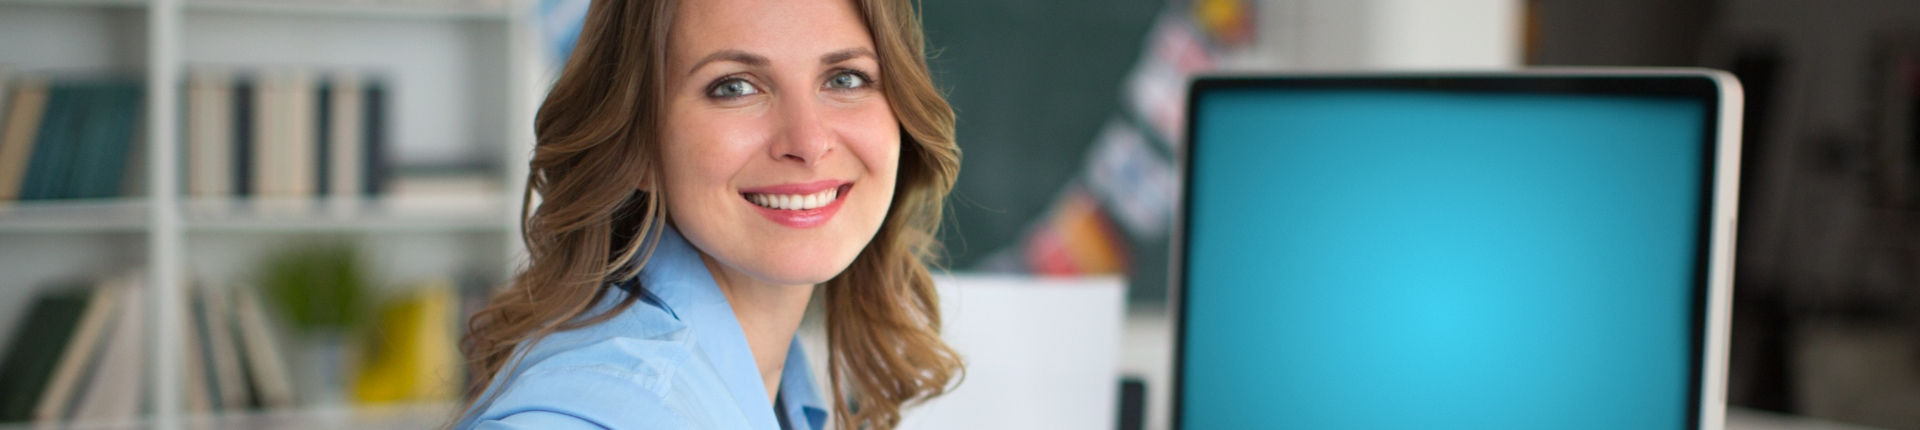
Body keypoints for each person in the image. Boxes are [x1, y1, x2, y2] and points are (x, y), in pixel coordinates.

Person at [450, 0, 963, 428]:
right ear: (636, 146)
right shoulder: (590, 416)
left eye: (846, 78)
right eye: (735, 86)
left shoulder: (775, 386)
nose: (808, 142)